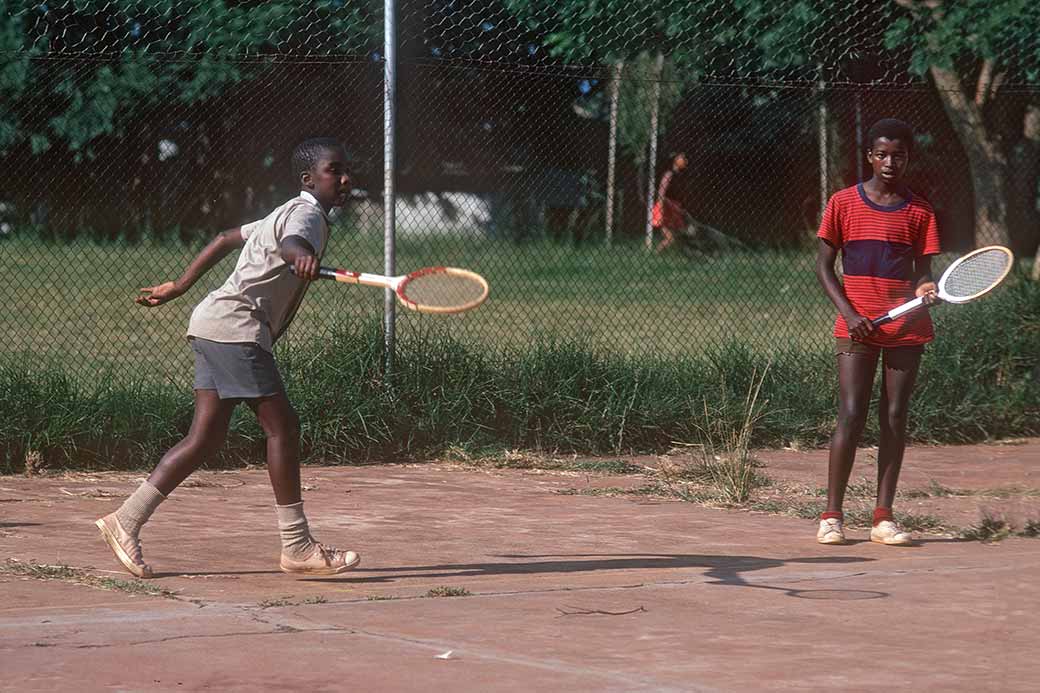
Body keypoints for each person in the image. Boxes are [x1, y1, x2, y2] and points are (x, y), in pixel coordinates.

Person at [95, 137, 359, 577]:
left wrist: (180, 286)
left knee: (205, 438)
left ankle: (125, 520)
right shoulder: (307, 214)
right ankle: (297, 546)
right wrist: (300, 257)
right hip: (237, 331)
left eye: (346, 169)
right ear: (308, 180)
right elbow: (294, 244)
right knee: (283, 429)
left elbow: (224, 238)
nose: (346, 178)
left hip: (211, 323)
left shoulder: (284, 211)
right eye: (335, 170)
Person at [814, 118, 941, 546]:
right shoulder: (843, 203)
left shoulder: (920, 210)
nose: (890, 162)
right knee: (851, 414)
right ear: (869, 156)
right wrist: (849, 314)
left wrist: (926, 288)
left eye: (899, 155)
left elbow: (924, 273)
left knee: (895, 417)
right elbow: (823, 267)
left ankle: (883, 518)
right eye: (882, 154)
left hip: (907, 325)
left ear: (908, 157)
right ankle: (832, 517)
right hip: (857, 327)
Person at [652, 152, 688, 253]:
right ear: (675, 160)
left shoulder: (680, 175)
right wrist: (660, 205)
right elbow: (662, 190)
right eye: (682, 157)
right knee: (670, 237)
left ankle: (677, 252)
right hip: (666, 205)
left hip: (675, 205)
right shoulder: (669, 174)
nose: (684, 160)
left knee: (679, 232)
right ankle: (656, 253)